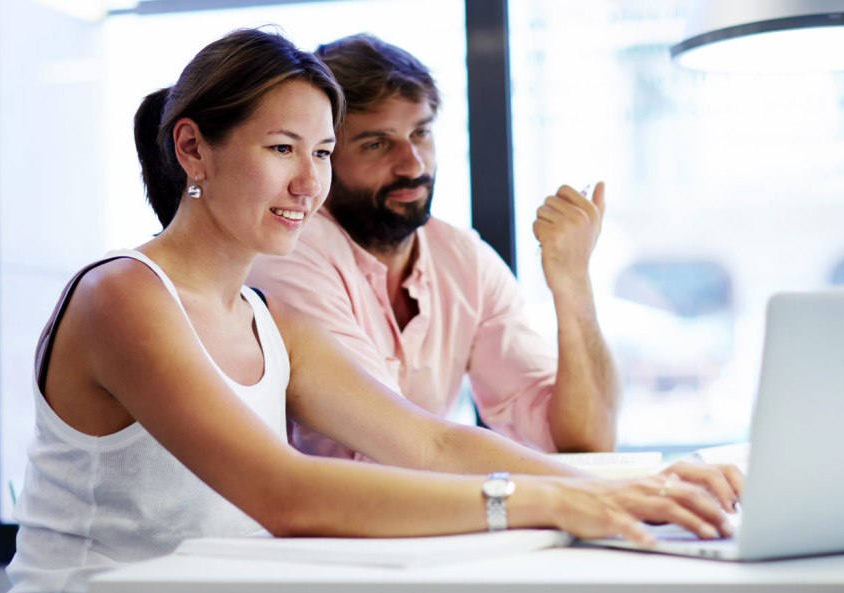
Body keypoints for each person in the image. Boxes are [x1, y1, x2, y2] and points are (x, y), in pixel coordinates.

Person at [5, 27, 740, 593]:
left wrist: (620, 487)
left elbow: (432, 445)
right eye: (282, 147)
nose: (307, 183)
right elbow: (283, 491)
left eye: (322, 152)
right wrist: (549, 499)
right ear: (193, 148)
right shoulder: (124, 297)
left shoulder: (266, 319)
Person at [248, 33, 618, 459]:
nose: (413, 164)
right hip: (324, 523)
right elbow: (389, 446)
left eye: (421, 132)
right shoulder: (293, 250)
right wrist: (566, 495)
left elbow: (583, 440)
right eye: (376, 143)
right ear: (324, 155)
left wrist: (573, 284)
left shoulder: (463, 259)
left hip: (424, 519)